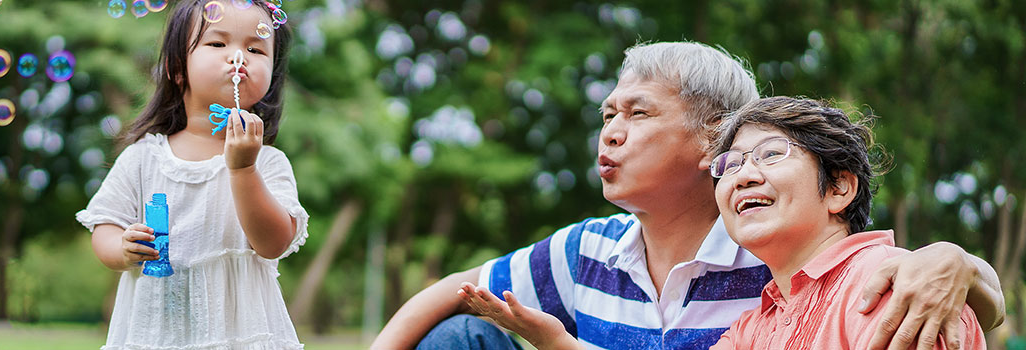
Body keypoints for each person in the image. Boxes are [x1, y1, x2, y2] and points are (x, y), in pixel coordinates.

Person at [373, 42, 1003, 350]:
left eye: (638, 113)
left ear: (708, 140)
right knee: (462, 337)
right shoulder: (587, 249)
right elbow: (453, 288)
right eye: (606, 113)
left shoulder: (788, 255)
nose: (611, 132)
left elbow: (922, 285)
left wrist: (955, 259)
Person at [463, 96, 987, 349]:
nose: (743, 176)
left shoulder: (894, 286)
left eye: (772, 155)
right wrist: (559, 343)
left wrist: (957, 260)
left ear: (839, 188)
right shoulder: (757, 324)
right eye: (730, 165)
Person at [76, 0, 308, 348]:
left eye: (256, 48)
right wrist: (122, 248)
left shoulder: (267, 163)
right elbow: (105, 226)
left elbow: (273, 243)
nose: (238, 57)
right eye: (217, 43)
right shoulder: (144, 159)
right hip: (157, 334)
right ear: (176, 67)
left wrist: (244, 168)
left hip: (239, 336)